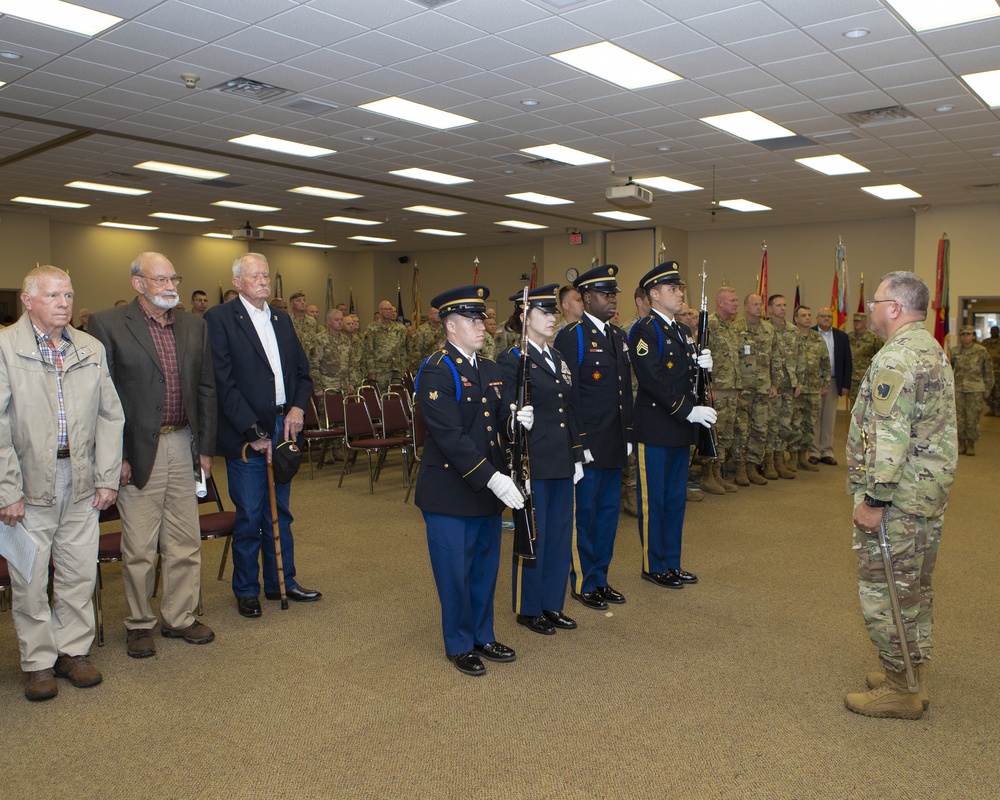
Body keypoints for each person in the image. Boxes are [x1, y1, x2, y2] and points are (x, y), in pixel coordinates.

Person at [0, 265, 124, 701]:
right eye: (53, 296)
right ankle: (38, 661)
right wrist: (6, 489)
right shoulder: (4, 347)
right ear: (27, 301)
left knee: (77, 570)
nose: (63, 303)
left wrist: (107, 477)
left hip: (82, 479)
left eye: (68, 295)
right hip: (28, 481)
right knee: (30, 577)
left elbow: (111, 415)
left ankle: (72, 651)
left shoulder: (88, 347)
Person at [88, 252, 217, 658]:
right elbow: (101, 399)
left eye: (173, 278)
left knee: (185, 539)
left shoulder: (195, 326)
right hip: (136, 450)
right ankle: (139, 622)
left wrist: (206, 450)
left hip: (184, 443)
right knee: (140, 546)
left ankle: (179, 617)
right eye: (159, 280)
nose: (170, 287)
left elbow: (207, 390)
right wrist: (116, 456)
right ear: (138, 284)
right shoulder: (108, 324)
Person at [844, 271, 957, 720]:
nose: (870, 309)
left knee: (885, 588)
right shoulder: (928, 347)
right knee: (912, 586)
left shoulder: (897, 358)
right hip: (923, 493)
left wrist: (873, 500)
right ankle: (910, 671)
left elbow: (888, 437)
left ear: (894, 308)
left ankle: (900, 688)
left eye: (875, 302)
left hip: (899, 499)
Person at [414, 285, 530, 676]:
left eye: (483, 318)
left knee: (483, 569)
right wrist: (494, 479)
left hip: (486, 488)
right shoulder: (436, 368)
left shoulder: (490, 368)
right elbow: (451, 438)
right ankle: (460, 643)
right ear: (450, 325)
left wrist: (515, 422)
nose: (482, 326)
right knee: (455, 574)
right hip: (450, 491)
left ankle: (483, 634)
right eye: (472, 319)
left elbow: (496, 421)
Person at [204, 253, 321, 618]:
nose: (262, 281)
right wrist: (253, 432)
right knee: (251, 511)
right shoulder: (220, 319)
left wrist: (298, 409)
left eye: (266, 275)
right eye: (254, 276)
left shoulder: (281, 319)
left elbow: (303, 374)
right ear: (236, 281)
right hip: (247, 432)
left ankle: (281, 580)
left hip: (284, 426)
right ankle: (247, 588)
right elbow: (223, 383)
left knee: (280, 510)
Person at [498, 285, 584, 636]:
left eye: (553, 313)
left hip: (561, 459)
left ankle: (552, 603)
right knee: (534, 536)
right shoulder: (512, 359)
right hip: (532, 461)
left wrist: (577, 453)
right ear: (524, 317)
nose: (552, 319)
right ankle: (528, 607)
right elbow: (507, 412)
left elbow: (569, 408)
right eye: (544, 313)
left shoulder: (557, 358)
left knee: (560, 536)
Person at [630, 262, 715, 588]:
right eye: (673, 289)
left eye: (680, 288)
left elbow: (687, 379)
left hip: (680, 429)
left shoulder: (682, 331)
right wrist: (688, 411)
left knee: (676, 500)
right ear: (654, 294)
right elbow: (653, 379)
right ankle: (653, 565)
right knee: (655, 501)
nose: (680, 293)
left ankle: (672, 562)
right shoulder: (644, 330)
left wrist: (703, 365)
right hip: (656, 428)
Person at [555, 266, 632, 611]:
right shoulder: (573, 337)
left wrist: (628, 433)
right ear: (586, 298)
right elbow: (567, 397)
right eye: (605, 294)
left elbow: (623, 392)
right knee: (583, 515)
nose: (612, 299)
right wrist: (577, 443)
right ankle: (584, 582)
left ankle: (601, 577)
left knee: (607, 515)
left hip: (613, 442)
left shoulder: (617, 337)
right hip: (587, 445)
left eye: (614, 294)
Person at [733, 293, 781, 484]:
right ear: (745, 306)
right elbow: (732, 359)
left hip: (763, 388)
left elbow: (776, 358)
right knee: (741, 430)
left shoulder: (769, 330)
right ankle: (740, 468)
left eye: (760, 304)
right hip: (742, 389)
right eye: (754, 304)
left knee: (760, 429)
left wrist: (775, 384)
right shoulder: (736, 329)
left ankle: (753, 466)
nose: (758, 307)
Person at [704, 286, 742, 494]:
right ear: (720, 302)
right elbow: (702, 356)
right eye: (732, 300)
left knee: (726, 434)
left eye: (736, 301)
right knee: (714, 432)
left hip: (730, 389)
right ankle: (707, 475)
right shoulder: (710, 324)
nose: (736, 304)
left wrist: (735, 386)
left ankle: (718, 473)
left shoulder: (731, 326)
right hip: (716, 390)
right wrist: (708, 386)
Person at [810, 308, 852, 465]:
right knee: (814, 417)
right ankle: (813, 451)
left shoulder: (841, 336)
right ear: (817, 318)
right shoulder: (810, 333)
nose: (826, 319)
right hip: (813, 382)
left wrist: (845, 384)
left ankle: (826, 451)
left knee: (829, 418)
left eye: (829, 316)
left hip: (833, 382)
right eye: (823, 316)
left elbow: (848, 361)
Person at [792, 306, 829, 471]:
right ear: (796, 319)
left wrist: (826, 384)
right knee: (794, 424)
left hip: (813, 389)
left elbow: (825, 362)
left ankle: (803, 457)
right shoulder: (791, 337)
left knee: (809, 425)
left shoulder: (817, 338)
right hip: (795, 390)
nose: (807, 318)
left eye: (809, 315)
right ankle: (792, 458)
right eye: (803, 315)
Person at [767, 294, 799, 479]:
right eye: (778, 305)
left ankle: (779, 460)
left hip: (789, 384)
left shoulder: (793, 330)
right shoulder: (765, 329)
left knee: (784, 424)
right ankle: (768, 462)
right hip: (772, 385)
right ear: (770, 309)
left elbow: (799, 357)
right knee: (770, 424)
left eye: (784, 305)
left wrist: (798, 381)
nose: (782, 308)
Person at [950, 325, 994, 455]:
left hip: (975, 389)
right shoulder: (954, 351)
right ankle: (961, 444)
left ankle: (971, 444)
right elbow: (948, 370)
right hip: (958, 389)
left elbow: (988, 371)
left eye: (968, 334)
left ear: (973, 336)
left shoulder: (981, 351)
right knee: (959, 418)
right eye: (963, 334)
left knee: (972, 418)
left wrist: (988, 389)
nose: (965, 337)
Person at [362, 299, 408, 391]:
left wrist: (403, 368)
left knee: (395, 396)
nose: (389, 312)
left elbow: (403, 349)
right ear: (380, 311)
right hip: (380, 370)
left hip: (396, 369)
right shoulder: (372, 328)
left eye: (390, 309)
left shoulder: (400, 328)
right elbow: (368, 351)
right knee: (382, 397)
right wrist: (371, 371)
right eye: (386, 309)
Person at [310, 308, 351, 394]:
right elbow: (314, 365)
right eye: (336, 320)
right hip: (327, 387)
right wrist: (317, 387)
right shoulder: (320, 339)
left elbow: (350, 363)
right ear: (328, 322)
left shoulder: (346, 340)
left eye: (341, 319)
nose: (340, 322)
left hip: (344, 387)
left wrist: (351, 383)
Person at [847, 312, 883, 409]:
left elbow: (880, 356)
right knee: (854, 407)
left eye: (859, 321)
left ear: (865, 322)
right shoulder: (848, 337)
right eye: (855, 321)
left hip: (868, 378)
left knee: (867, 407)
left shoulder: (874, 338)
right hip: (852, 379)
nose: (857, 323)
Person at [410, 306, 444, 371]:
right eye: (436, 313)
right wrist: (421, 367)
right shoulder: (422, 330)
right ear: (429, 315)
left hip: (442, 364)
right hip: (427, 364)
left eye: (440, 313)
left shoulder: (444, 329)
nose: (438, 315)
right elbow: (416, 352)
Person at [983, 326, 1000, 415]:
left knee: (998, 392)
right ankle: (991, 409)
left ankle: (998, 410)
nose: (993, 332)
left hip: (998, 371)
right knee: (990, 391)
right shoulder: (985, 343)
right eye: (992, 331)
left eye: (995, 331)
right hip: (988, 371)